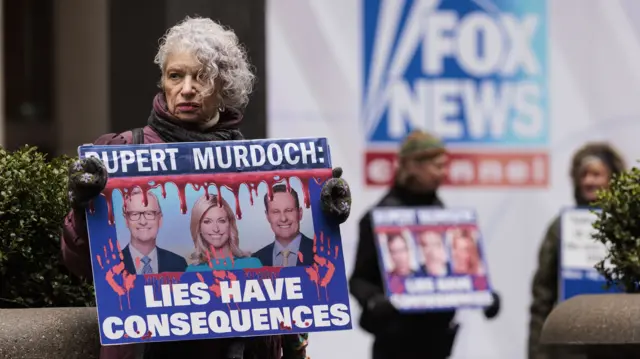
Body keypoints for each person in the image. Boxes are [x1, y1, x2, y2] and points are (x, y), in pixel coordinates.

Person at [62, 16, 351, 359]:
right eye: (175, 76)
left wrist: (321, 212)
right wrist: (83, 209)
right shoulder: (120, 154)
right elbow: (77, 265)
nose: (186, 89)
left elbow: (295, 279)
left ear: (225, 86)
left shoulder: (261, 169)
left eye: (202, 77)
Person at [349, 130, 500, 359]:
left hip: (438, 344)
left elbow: (458, 273)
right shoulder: (380, 218)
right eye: (436, 166)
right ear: (411, 166)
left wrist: (483, 294)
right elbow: (358, 280)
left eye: (444, 166)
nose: (443, 173)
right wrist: (374, 300)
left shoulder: (443, 217)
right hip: (395, 345)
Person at [528, 142, 625, 359]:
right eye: (583, 175)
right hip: (571, 346)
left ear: (613, 178)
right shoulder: (561, 227)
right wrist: (536, 352)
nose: (589, 181)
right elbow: (542, 297)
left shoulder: (629, 225)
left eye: (596, 174)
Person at [185, 194, 262, 271]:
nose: (216, 229)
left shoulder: (252, 265)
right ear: (199, 228)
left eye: (221, 221)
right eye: (207, 222)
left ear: (230, 224)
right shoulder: (192, 271)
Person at [121, 187, 187, 274]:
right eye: (135, 214)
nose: (143, 221)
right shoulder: (112, 264)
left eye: (149, 213)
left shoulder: (179, 264)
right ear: (126, 220)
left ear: (160, 220)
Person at [253, 184, 315, 267]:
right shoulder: (256, 259)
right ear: (267, 216)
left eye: (289, 210)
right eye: (276, 212)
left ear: (300, 213)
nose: (283, 218)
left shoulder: (322, 253)